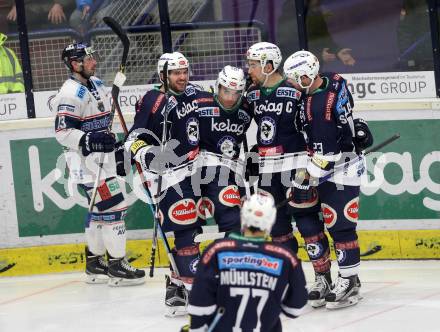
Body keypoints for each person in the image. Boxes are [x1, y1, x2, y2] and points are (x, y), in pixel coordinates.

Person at [283, 50, 373, 309]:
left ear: (305, 77)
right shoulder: (335, 79)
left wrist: (304, 179)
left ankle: (349, 280)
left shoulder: (319, 107)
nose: (289, 83)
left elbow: (327, 155)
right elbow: (348, 112)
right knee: (326, 223)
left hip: (339, 169)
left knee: (340, 225)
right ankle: (332, 278)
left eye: (292, 78)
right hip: (338, 162)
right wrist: (357, 128)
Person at [53, 42, 145, 287]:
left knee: (98, 212)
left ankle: (94, 262)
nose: (94, 62)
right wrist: (91, 139)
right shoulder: (70, 93)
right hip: (85, 165)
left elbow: (102, 121)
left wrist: (116, 149)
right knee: (115, 206)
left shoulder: (96, 84)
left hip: (102, 161)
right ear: (75, 64)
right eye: (89, 58)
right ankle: (117, 265)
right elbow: (63, 133)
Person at [126, 51, 207, 316]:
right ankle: (193, 292)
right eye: (175, 73)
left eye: (184, 71)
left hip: (196, 171)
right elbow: (133, 138)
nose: (182, 77)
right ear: (163, 75)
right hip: (169, 176)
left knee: (192, 231)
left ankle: (175, 283)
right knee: (184, 231)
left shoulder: (194, 92)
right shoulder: (154, 99)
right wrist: (146, 153)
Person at [181, 193, 308, 332]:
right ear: (271, 220)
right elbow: (295, 309)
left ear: (243, 216)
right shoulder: (286, 257)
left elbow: (200, 305)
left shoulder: (216, 251)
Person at [245, 41, 321, 256]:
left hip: (297, 165)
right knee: (277, 227)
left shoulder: (296, 90)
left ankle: (322, 278)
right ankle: (289, 277)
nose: (249, 70)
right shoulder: (251, 93)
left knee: (307, 222)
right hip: (267, 170)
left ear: (269, 66)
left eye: (253, 65)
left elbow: (315, 123)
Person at [196, 65, 252, 234]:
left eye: (236, 93)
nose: (230, 97)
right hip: (204, 169)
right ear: (218, 85)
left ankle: (235, 256)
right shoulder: (199, 103)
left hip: (233, 170)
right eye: (226, 91)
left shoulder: (246, 108)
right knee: (230, 220)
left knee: (241, 221)